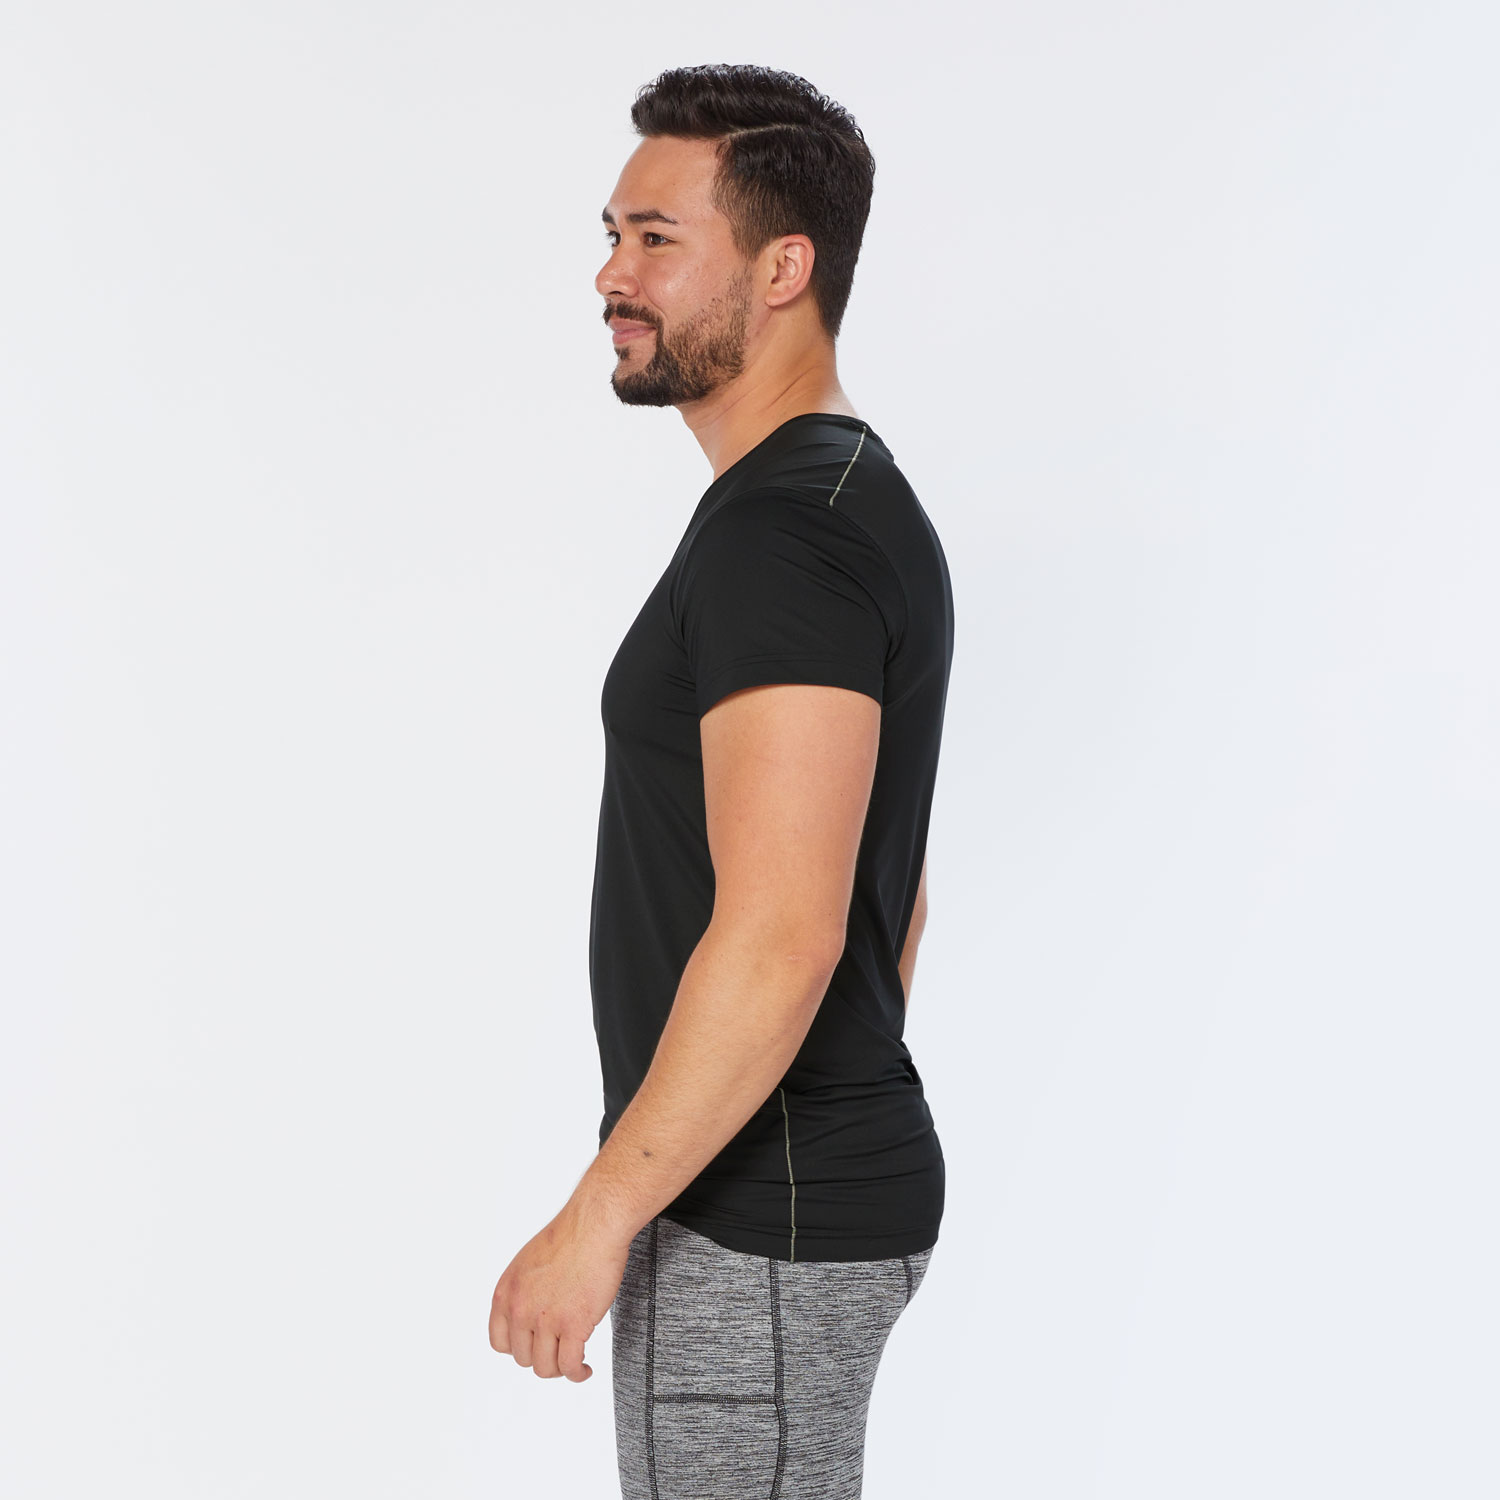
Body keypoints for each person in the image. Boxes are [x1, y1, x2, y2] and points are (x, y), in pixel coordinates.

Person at [489, 62, 955, 1498]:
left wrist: (598, 1218)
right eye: (611, 234)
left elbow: (788, 933)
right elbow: (893, 898)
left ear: (782, 269)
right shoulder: (821, 502)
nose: (610, 276)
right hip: (768, 1193)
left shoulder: (786, 538)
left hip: (760, 1221)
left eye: (655, 239)